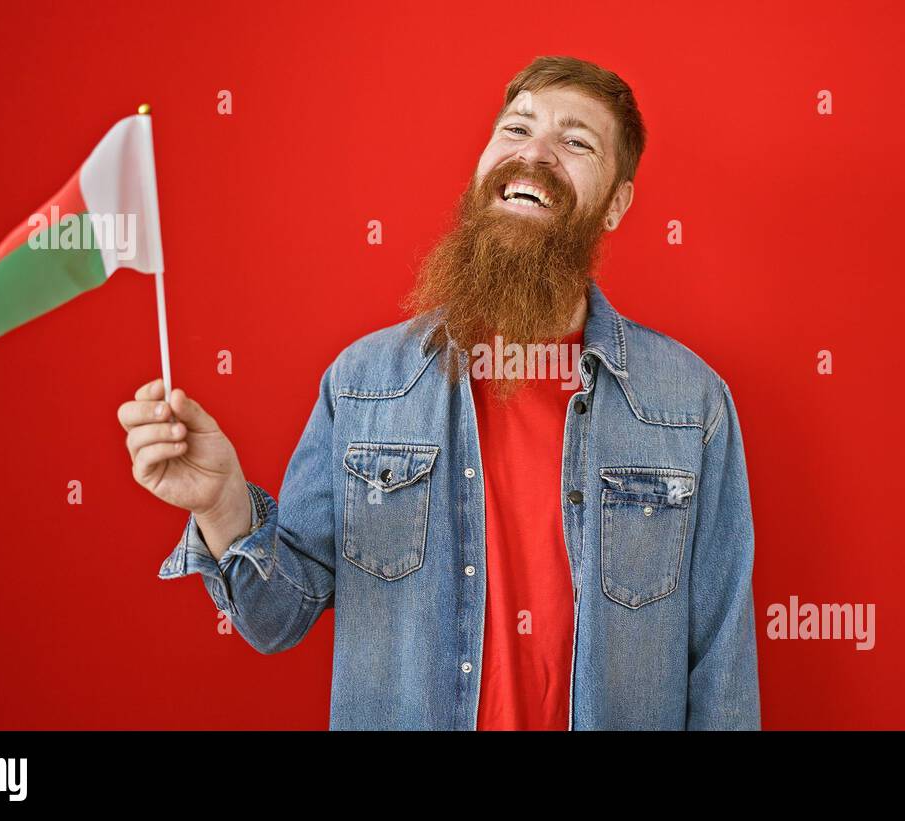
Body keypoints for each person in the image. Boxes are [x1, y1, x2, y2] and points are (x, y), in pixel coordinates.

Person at [118, 55, 760, 730]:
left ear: (616, 204)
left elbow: (722, 671)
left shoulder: (689, 405)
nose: (534, 153)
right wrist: (222, 506)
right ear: (483, 165)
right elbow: (275, 618)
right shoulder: (363, 384)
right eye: (516, 129)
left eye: (576, 142)